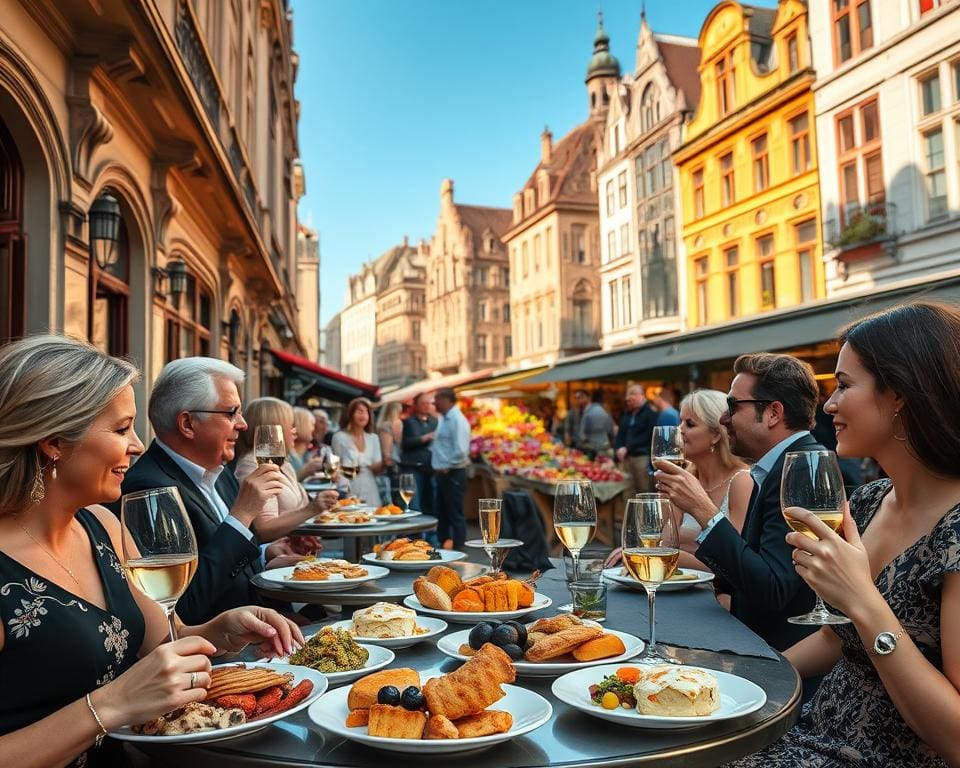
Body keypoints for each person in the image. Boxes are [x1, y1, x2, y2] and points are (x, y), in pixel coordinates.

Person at [0, 335, 301, 768]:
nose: (139, 445)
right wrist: (110, 705)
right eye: (122, 429)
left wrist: (222, 631)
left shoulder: (103, 526)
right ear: (55, 442)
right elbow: (122, 695)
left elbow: (165, 637)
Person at [726, 301, 960, 767]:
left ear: (900, 395)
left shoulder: (955, 531)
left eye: (844, 385)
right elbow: (836, 640)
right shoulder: (869, 501)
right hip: (809, 734)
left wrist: (863, 601)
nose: (829, 404)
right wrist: (745, 679)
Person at [654, 353, 823, 651]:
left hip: (779, 655)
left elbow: (774, 588)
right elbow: (750, 566)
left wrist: (704, 511)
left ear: (773, 413)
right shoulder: (774, 467)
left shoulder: (799, 467)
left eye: (733, 406)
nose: (724, 419)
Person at [120, 358, 291, 625]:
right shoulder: (148, 488)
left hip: (265, 623)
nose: (243, 424)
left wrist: (269, 552)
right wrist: (242, 515)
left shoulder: (217, 469)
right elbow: (182, 607)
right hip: (221, 645)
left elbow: (228, 552)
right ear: (188, 424)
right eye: (231, 413)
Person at [606, 389, 752, 577]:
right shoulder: (685, 476)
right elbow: (665, 541)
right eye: (680, 421)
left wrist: (648, 554)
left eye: (689, 424)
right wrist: (647, 551)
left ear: (716, 435)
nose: (679, 429)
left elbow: (734, 564)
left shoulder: (742, 481)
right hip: (681, 584)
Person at [233, 397, 337, 553]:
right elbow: (262, 530)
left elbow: (296, 513)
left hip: (296, 555)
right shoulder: (252, 465)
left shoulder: (284, 464)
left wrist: (302, 536)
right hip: (276, 561)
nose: (295, 431)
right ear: (274, 429)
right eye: (291, 425)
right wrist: (312, 509)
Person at [431, 387, 471, 549]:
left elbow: (461, 450)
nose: (434, 403)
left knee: (454, 513)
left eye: (436, 400)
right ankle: (445, 546)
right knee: (443, 512)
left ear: (445, 400)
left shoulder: (457, 420)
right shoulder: (445, 418)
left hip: (452, 473)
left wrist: (447, 466)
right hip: (445, 473)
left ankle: (459, 548)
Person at [331, 398, 383, 506]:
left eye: (366, 412)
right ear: (350, 414)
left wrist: (386, 462)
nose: (363, 415)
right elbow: (335, 468)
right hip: (349, 487)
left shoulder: (373, 438)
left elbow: (377, 467)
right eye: (359, 411)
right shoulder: (339, 437)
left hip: (370, 487)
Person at [400, 391, 438, 528]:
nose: (427, 406)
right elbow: (405, 443)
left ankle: (430, 536)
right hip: (413, 467)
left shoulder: (435, 421)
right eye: (423, 403)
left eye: (429, 403)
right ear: (415, 405)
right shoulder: (409, 421)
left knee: (431, 505)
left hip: (431, 468)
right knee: (414, 506)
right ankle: (415, 535)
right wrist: (424, 438)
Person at [614, 384, 658, 495]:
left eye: (632, 394)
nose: (627, 398)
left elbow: (648, 436)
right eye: (627, 395)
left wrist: (627, 448)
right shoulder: (627, 413)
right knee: (627, 490)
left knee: (643, 490)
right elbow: (621, 434)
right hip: (626, 458)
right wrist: (618, 448)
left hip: (641, 457)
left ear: (641, 395)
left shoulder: (650, 413)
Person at [376, 402, 404, 506]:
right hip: (395, 465)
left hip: (395, 465)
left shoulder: (388, 425)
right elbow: (386, 451)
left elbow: (387, 450)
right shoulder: (389, 425)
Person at [578, 389, 614, 459]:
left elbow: (582, 435)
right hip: (605, 445)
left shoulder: (587, 412)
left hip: (592, 448)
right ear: (602, 400)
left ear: (591, 399)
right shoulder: (606, 412)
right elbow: (610, 431)